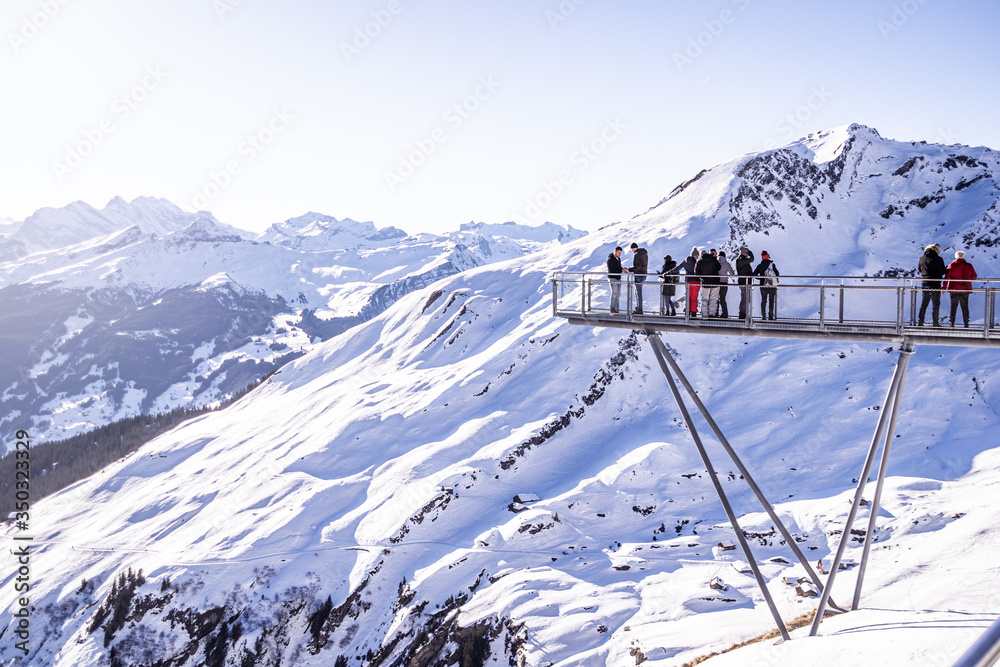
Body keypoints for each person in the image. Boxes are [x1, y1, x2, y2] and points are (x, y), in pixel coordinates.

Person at [943, 250, 977, 327]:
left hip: (954, 289)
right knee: (965, 307)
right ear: (963, 256)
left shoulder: (952, 265)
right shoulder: (969, 265)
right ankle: (966, 323)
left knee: (953, 306)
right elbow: (974, 276)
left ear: (956, 257)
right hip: (965, 289)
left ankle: (952, 323)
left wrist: (944, 287)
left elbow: (947, 277)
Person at [917, 243, 946, 326]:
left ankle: (920, 321)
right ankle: (935, 322)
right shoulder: (938, 259)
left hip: (925, 283)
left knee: (924, 303)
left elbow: (919, 269)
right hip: (935, 284)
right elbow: (942, 271)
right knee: (936, 304)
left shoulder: (922, 258)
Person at [667, 247, 700, 316]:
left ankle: (687, 312)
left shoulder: (685, 261)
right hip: (696, 282)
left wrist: (668, 272)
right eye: (697, 255)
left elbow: (677, 268)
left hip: (688, 282)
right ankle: (693, 313)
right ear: (695, 255)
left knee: (688, 297)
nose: (698, 257)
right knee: (694, 298)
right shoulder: (696, 262)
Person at [753, 250, 779, 320]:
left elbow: (754, 275)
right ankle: (770, 316)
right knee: (771, 300)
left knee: (763, 301)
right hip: (772, 285)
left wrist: (762, 279)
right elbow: (777, 274)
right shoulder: (772, 265)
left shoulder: (759, 266)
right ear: (768, 257)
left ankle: (763, 316)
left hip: (763, 285)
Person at [695, 249, 722, 318]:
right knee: (714, 299)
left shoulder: (699, 262)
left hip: (705, 283)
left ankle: (704, 315)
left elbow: (696, 273)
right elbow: (719, 267)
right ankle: (712, 314)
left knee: (705, 299)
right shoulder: (713, 259)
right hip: (715, 282)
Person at [606, 246, 627, 313]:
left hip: (618, 278)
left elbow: (619, 267)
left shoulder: (618, 259)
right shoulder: (610, 260)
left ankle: (616, 308)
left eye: (620, 253)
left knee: (618, 294)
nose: (619, 255)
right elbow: (612, 270)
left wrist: (623, 269)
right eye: (618, 253)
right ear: (615, 252)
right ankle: (612, 308)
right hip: (612, 278)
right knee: (614, 293)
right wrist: (621, 270)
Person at [736, 247, 754, 319]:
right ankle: (743, 314)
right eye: (746, 253)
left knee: (745, 298)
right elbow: (752, 259)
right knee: (745, 298)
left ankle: (744, 313)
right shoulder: (741, 260)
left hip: (745, 282)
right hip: (744, 282)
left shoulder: (741, 260)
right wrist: (749, 251)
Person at [629, 242, 648, 314]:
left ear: (633, 248)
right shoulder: (644, 254)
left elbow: (637, 267)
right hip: (644, 274)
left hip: (638, 275)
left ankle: (640, 309)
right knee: (638, 292)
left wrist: (629, 270)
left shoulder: (637, 255)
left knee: (638, 292)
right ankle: (639, 307)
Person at [717, 250, 735, 318]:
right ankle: (724, 314)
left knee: (715, 299)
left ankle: (715, 313)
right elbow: (732, 274)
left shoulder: (716, 263)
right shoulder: (727, 264)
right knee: (722, 299)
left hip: (716, 283)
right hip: (724, 283)